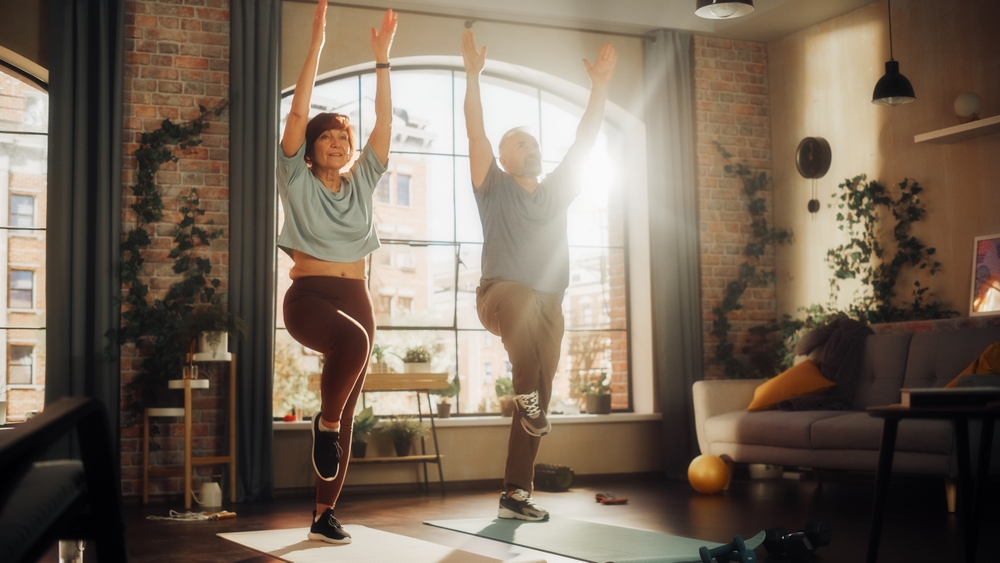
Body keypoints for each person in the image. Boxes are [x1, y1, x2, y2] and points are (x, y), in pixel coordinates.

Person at [461, 29, 617, 521]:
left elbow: (586, 139)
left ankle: (515, 494)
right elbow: (475, 132)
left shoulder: (555, 190)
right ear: (503, 159)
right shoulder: (493, 188)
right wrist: (471, 77)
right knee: (521, 302)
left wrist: (600, 87)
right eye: (518, 144)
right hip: (500, 296)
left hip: (549, 302)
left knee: (537, 401)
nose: (529, 147)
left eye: (532, 143)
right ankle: (526, 394)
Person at [277, 0, 397, 544]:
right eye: (327, 136)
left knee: (346, 408)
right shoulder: (296, 179)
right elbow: (297, 114)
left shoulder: (363, 182)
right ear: (309, 151)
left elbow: (385, 123)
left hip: (357, 292)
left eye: (343, 137)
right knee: (349, 352)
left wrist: (382, 61)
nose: (338, 142)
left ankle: (324, 513)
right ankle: (323, 429)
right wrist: (318, 43)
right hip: (309, 298)